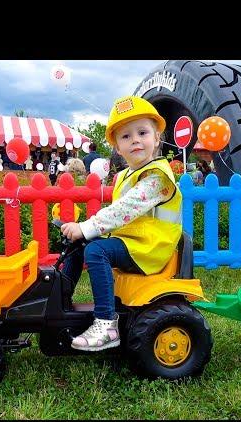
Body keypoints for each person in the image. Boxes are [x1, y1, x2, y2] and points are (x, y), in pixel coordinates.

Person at [60, 96, 182, 351]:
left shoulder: (157, 177)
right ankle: (60, 302)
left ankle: (106, 323)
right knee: (82, 244)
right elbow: (119, 215)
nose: (135, 139)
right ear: (117, 146)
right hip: (133, 243)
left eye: (142, 132)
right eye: (126, 136)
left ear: (156, 138)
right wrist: (84, 232)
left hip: (151, 248)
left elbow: (124, 210)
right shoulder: (126, 175)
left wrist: (86, 226)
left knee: (96, 249)